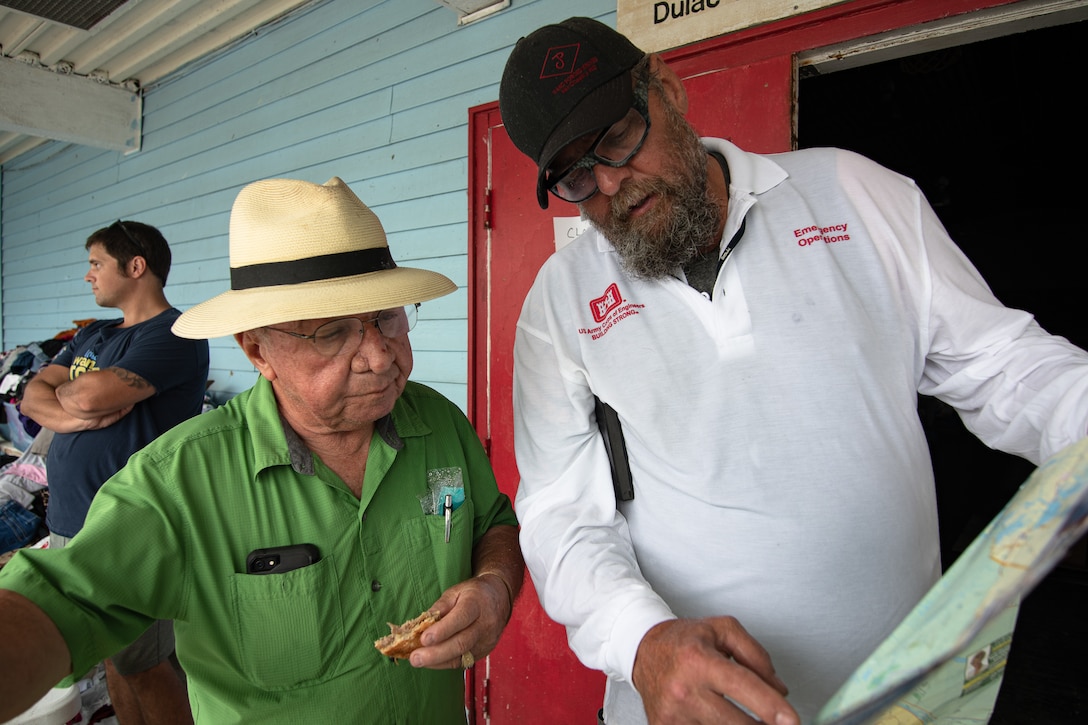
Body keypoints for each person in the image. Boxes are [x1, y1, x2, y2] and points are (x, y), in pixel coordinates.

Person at [498, 16, 1088, 725]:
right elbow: (561, 514)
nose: (613, 183)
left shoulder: (854, 194)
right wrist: (642, 642)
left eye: (620, 138)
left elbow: (1006, 366)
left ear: (665, 89)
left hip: (908, 702)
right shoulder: (560, 303)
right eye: (575, 177)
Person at [0, 176, 523, 723]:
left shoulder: (439, 422)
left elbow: (492, 522)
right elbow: (62, 602)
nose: (379, 356)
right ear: (257, 350)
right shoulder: (180, 480)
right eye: (331, 332)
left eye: (386, 316)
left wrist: (494, 586)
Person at [21, 220, 210, 725]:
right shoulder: (94, 333)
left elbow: (87, 394)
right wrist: (65, 415)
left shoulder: (176, 333)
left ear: (136, 266)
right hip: (69, 517)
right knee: (115, 661)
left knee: (146, 663)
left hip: (127, 524)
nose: (89, 276)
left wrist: (71, 401)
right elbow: (33, 392)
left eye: (96, 263)